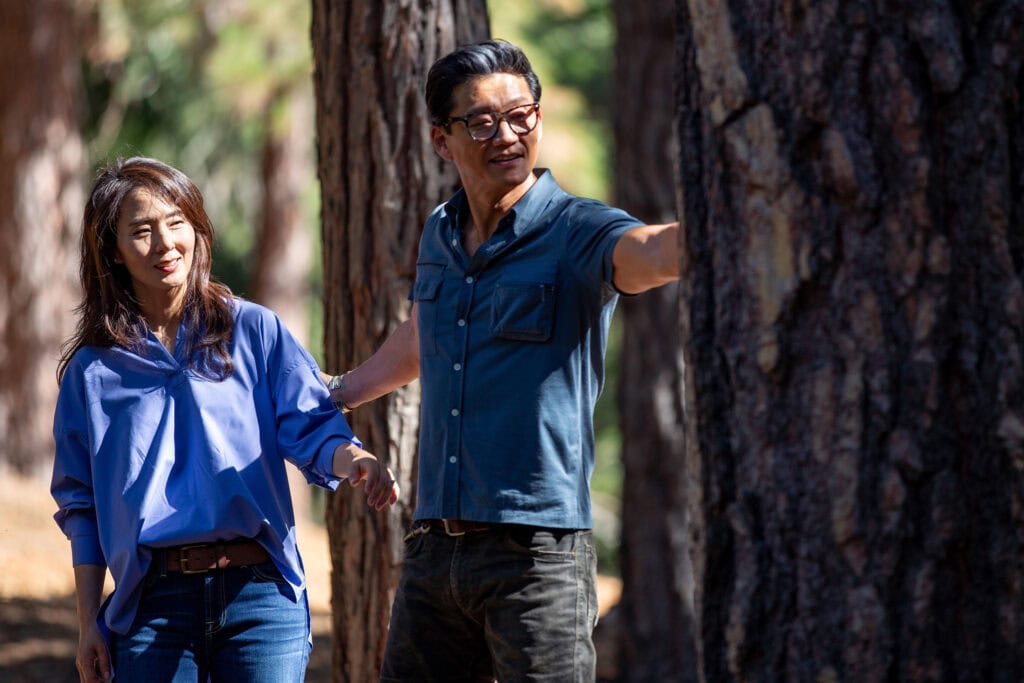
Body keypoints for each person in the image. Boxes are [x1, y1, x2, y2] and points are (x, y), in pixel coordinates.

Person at [325, 40, 680, 681]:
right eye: (483, 122)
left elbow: (651, 254)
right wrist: (342, 392)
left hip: (536, 559)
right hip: (434, 551)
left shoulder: (577, 230)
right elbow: (425, 333)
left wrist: (723, 216)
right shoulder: (440, 230)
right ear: (442, 140)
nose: (507, 135)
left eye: (522, 116)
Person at [51, 156, 399, 683]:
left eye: (177, 223)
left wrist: (356, 458)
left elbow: (308, 420)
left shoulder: (253, 329)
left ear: (196, 228)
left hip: (260, 596)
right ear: (114, 253)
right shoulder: (92, 371)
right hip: (149, 605)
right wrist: (86, 624)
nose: (166, 244)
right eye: (142, 232)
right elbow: (82, 508)